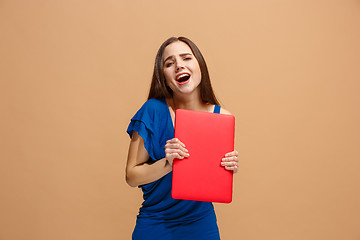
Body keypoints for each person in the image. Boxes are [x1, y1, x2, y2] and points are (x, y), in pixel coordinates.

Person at [126, 36, 239, 240]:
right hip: (155, 222)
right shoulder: (153, 110)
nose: (179, 65)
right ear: (164, 77)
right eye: (169, 63)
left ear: (200, 66)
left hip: (201, 224)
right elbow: (131, 176)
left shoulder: (222, 118)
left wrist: (227, 168)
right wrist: (168, 164)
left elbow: (210, 182)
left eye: (186, 58)